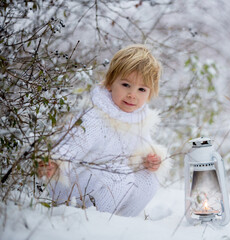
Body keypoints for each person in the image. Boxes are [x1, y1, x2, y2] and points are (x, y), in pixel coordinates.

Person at [38, 44, 171, 217]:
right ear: (110, 83)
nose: (132, 94)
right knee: (121, 175)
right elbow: (74, 143)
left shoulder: (139, 119)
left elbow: (142, 149)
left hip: (111, 187)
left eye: (141, 89)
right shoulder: (95, 115)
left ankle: (122, 221)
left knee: (148, 178)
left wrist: (149, 160)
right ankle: (93, 221)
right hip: (75, 185)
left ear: (150, 92)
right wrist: (56, 162)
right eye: (126, 85)